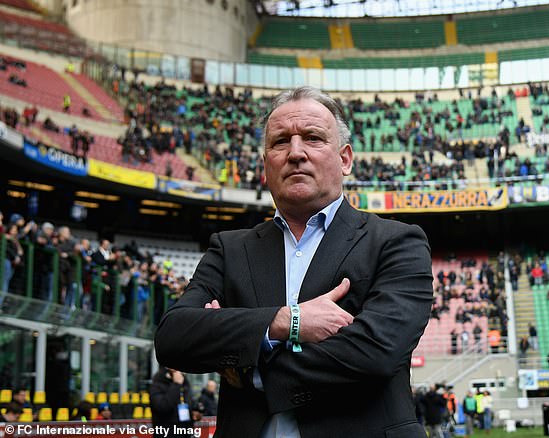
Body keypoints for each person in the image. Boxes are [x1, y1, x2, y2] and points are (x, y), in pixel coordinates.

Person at [155, 86, 434, 438]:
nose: (296, 153)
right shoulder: (229, 249)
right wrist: (286, 322)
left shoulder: (397, 242)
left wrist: (246, 363)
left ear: (345, 159)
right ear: (265, 164)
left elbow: (374, 352)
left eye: (313, 138)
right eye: (280, 141)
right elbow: (173, 337)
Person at [149, 367, 194, 437]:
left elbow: (188, 405)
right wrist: (176, 385)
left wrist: (194, 413)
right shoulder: (157, 384)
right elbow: (163, 407)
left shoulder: (185, 384)